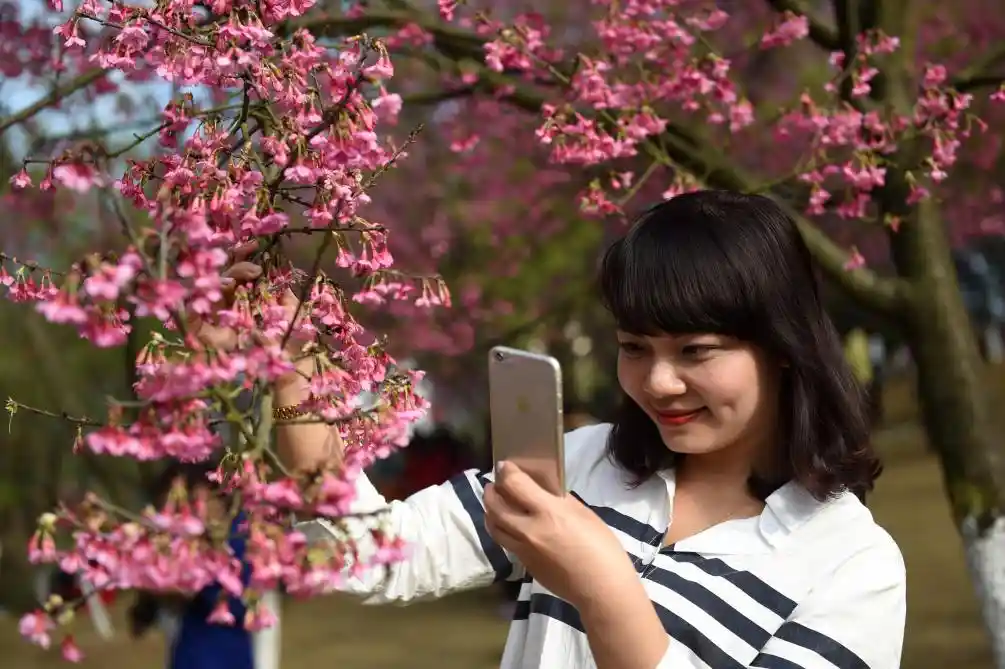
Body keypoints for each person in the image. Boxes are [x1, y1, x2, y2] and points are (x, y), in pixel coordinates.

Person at [206, 190, 907, 669]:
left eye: (695, 351)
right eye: (635, 347)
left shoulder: (852, 564)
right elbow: (364, 555)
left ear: (782, 348)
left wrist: (601, 586)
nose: (658, 382)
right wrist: (294, 378)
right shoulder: (583, 464)